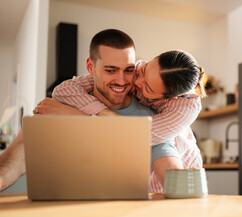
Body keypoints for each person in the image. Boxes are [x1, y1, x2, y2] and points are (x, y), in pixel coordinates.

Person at [0, 29, 205, 193]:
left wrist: (78, 119)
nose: (128, 81)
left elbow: (163, 157)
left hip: (176, 179)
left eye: (128, 70)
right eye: (110, 70)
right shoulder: (69, 100)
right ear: (91, 67)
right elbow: (63, 89)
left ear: (166, 97)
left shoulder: (156, 119)